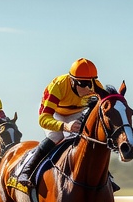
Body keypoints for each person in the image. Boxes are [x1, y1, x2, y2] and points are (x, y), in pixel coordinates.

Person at [15, 59, 107, 187]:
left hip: (77, 112)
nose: (88, 88)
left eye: (90, 83)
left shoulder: (96, 87)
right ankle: (27, 169)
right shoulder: (58, 86)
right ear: (72, 81)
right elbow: (43, 119)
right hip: (54, 113)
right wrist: (65, 126)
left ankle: (106, 176)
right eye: (83, 83)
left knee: (86, 138)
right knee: (57, 136)